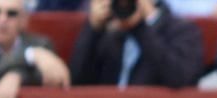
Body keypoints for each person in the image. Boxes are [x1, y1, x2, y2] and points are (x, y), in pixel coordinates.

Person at [69, 0, 204, 87]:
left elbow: (180, 78)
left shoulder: (182, 31)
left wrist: (139, 28)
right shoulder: (108, 33)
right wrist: (93, 29)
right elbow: (77, 80)